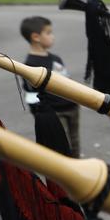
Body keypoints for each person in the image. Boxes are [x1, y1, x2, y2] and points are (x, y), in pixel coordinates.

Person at [19, 16, 80, 156]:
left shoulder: (56, 59)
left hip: (72, 107)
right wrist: (41, 114)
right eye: (48, 33)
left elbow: (67, 81)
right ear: (36, 37)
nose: (52, 36)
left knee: (75, 144)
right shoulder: (30, 66)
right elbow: (31, 95)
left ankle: (78, 173)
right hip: (55, 112)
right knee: (62, 148)